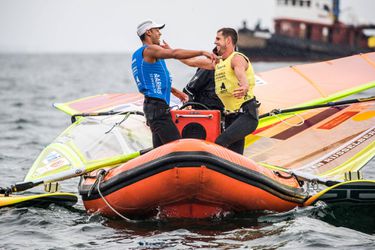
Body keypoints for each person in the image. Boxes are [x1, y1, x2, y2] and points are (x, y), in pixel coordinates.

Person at [131, 19, 214, 148]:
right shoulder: (149, 50)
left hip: (154, 107)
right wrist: (202, 52)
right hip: (157, 109)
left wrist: (175, 91)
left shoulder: (139, 54)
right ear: (148, 32)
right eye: (157, 30)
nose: (159, 33)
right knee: (178, 149)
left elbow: (151, 80)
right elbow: (175, 54)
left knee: (161, 152)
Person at [182, 28, 259, 154]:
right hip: (231, 117)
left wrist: (244, 86)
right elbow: (190, 62)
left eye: (218, 39)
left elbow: (241, 74)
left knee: (219, 143)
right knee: (234, 155)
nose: (215, 42)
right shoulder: (218, 63)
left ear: (228, 40)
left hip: (246, 115)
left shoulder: (237, 58)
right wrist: (170, 53)